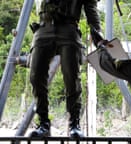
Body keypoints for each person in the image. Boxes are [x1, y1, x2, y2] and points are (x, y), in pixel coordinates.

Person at [29, 0, 101, 138]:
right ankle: (43, 122)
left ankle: (75, 123)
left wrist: (97, 33)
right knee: (35, 75)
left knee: (71, 76)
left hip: (68, 27)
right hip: (44, 26)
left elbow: (90, 7)